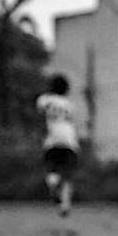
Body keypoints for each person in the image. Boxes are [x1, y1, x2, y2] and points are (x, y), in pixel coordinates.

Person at [36, 74, 81, 216]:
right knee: (68, 176)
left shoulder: (44, 100)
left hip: (52, 140)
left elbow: (41, 112)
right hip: (69, 140)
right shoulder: (70, 104)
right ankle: (65, 205)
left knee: (52, 169)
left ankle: (53, 185)